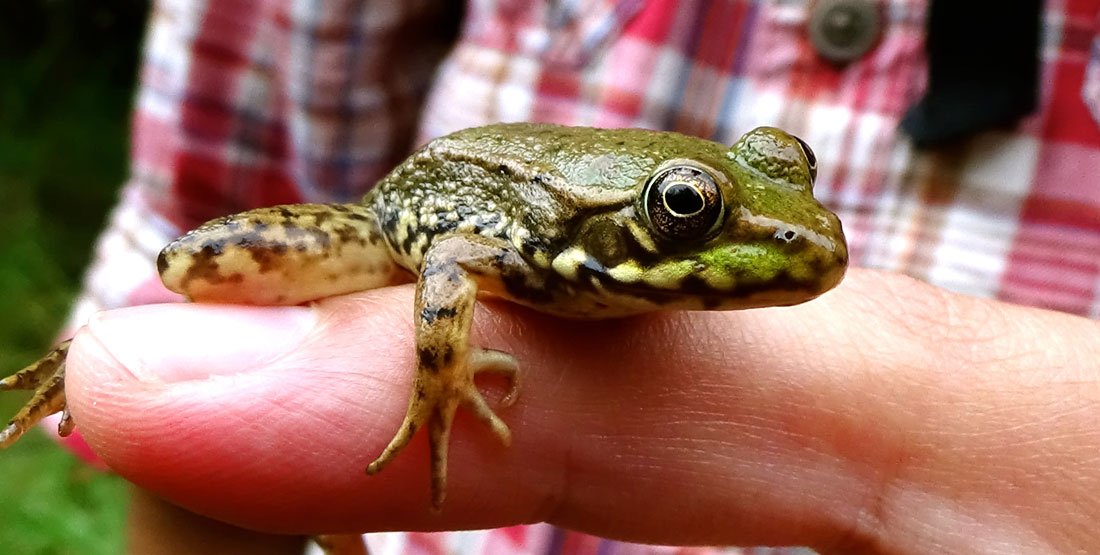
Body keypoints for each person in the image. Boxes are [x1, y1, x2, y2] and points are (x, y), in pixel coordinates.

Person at [36, 0, 1100, 553]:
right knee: (191, 263)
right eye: (690, 212)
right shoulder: (519, 256)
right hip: (396, 223)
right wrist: (439, 380)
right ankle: (69, 365)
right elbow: (448, 253)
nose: (790, 235)